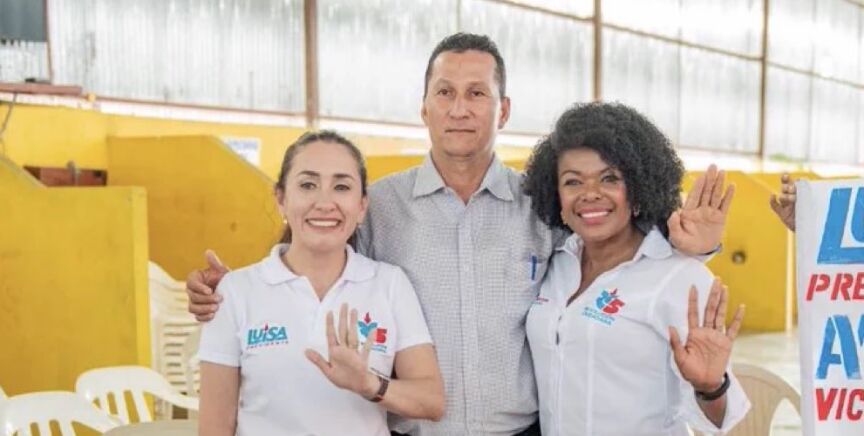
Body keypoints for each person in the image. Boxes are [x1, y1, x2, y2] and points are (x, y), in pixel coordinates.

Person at [188, 33, 734, 436]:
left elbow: (613, 244)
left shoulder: (542, 203)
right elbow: (314, 251)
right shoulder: (381, 205)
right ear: (424, 106)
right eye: (445, 92)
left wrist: (695, 246)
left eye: (477, 93)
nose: (459, 109)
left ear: (504, 110)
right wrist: (229, 291)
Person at [522, 102, 750, 435]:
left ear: (639, 188)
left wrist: (710, 386)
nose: (590, 194)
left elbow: (722, 420)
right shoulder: (554, 265)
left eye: (609, 178)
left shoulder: (679, 277)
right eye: (573, 182)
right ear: (556, 195)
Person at [197, 131, 445, 435]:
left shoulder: (390, 284)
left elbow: (431, 401)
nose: (325, 203)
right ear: (281, 200)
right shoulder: (235, 292)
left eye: (341, 187)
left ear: (362, 206)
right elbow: (215, 427)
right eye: (307, 185)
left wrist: (369, 384)